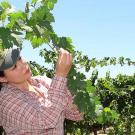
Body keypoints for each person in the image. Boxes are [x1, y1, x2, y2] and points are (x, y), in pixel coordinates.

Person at [0, 47, 83, 135]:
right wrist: (61, 75)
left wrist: (71, 87)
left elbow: (75, 115)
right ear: (2, 78)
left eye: (19, 58)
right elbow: (46, 121)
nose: (22, 65)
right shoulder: (4, 100)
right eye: (14, 67)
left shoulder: (43, 82)